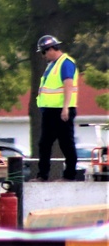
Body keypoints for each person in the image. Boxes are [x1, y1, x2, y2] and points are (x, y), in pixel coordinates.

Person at [35, 35, 79, 182]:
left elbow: (68, 85)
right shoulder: (52, 64)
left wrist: (65, 108)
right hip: (50, 111)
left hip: (61, 110)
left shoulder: (65, 63)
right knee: (44, 143)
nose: (43, 55)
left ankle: (70, 175)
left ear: (51, 49)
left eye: (44, 52)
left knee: (66, 143)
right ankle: (42, 175)